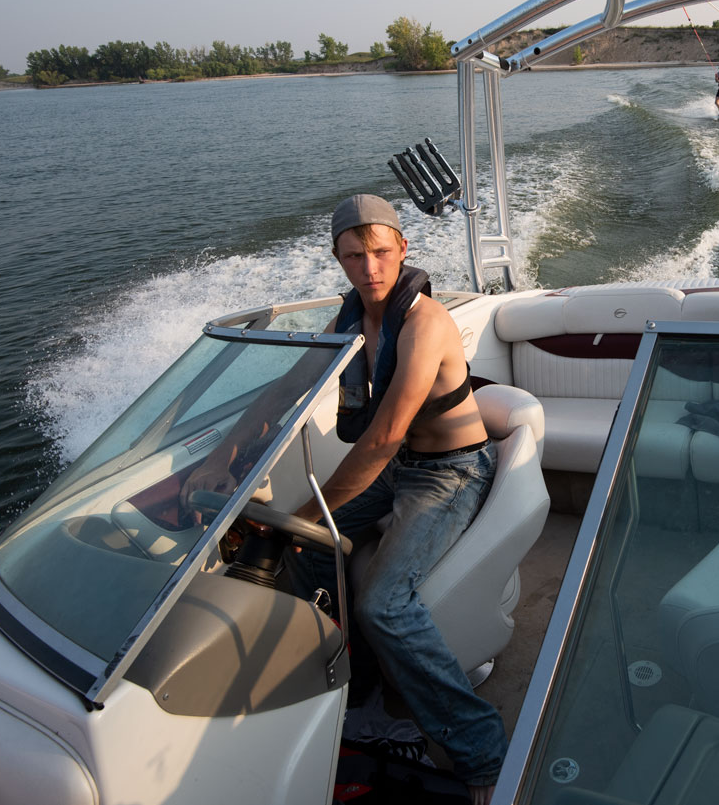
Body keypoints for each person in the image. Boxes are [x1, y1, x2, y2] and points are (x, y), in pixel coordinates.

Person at [183, 194, 505, 803]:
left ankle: (481, 749)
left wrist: (309, 514)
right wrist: (223, 453)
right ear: (338, 259)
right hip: (399, 470)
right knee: (298, 553)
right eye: (354, 256)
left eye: (381, 253)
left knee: (385, 604)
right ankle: (353, 694)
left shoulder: (424, 323)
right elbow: (288, 389)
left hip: (450, 472)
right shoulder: (351, 317)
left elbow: (383, 437)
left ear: (403, 249)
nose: (370, 268)